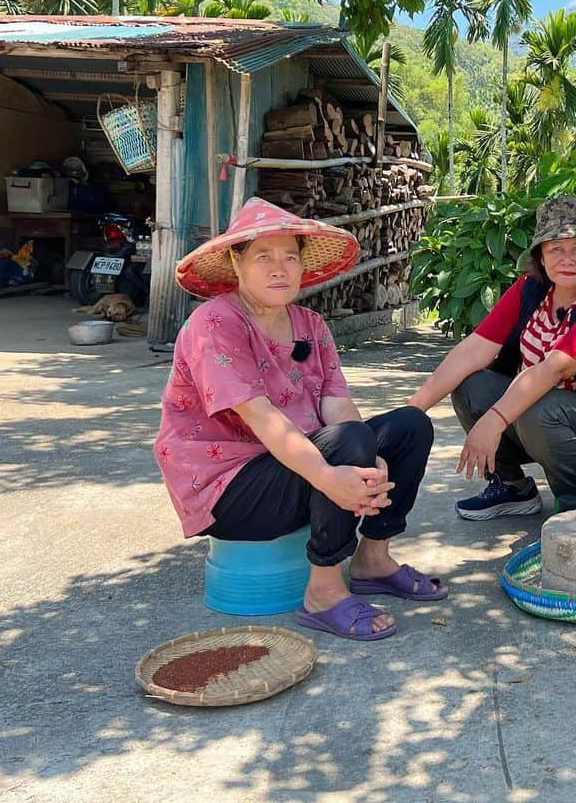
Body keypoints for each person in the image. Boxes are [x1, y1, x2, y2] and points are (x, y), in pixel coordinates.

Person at [154, 197, 445, 642]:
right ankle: (324, 593)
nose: (279, 268)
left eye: (290, 257)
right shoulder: (214, 323)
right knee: (347, 444)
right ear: (236, 262)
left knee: (409, 426)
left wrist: (371, 466)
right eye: (263, 257)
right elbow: (264, 419)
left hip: (295, 462)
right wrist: (332, 477)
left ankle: (372, 560)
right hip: (229, 487)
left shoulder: (310, 323)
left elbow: (337, 405)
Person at [409, 195, 576, 517]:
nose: (566, 259)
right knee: (472, 384)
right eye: (555, 248)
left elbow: (552, 371)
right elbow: (472, 350)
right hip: (551, 417)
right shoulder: (531, 289)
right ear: (540, 255)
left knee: (536, 404)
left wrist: (493, 421)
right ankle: (512, 487)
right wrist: (411, 413)